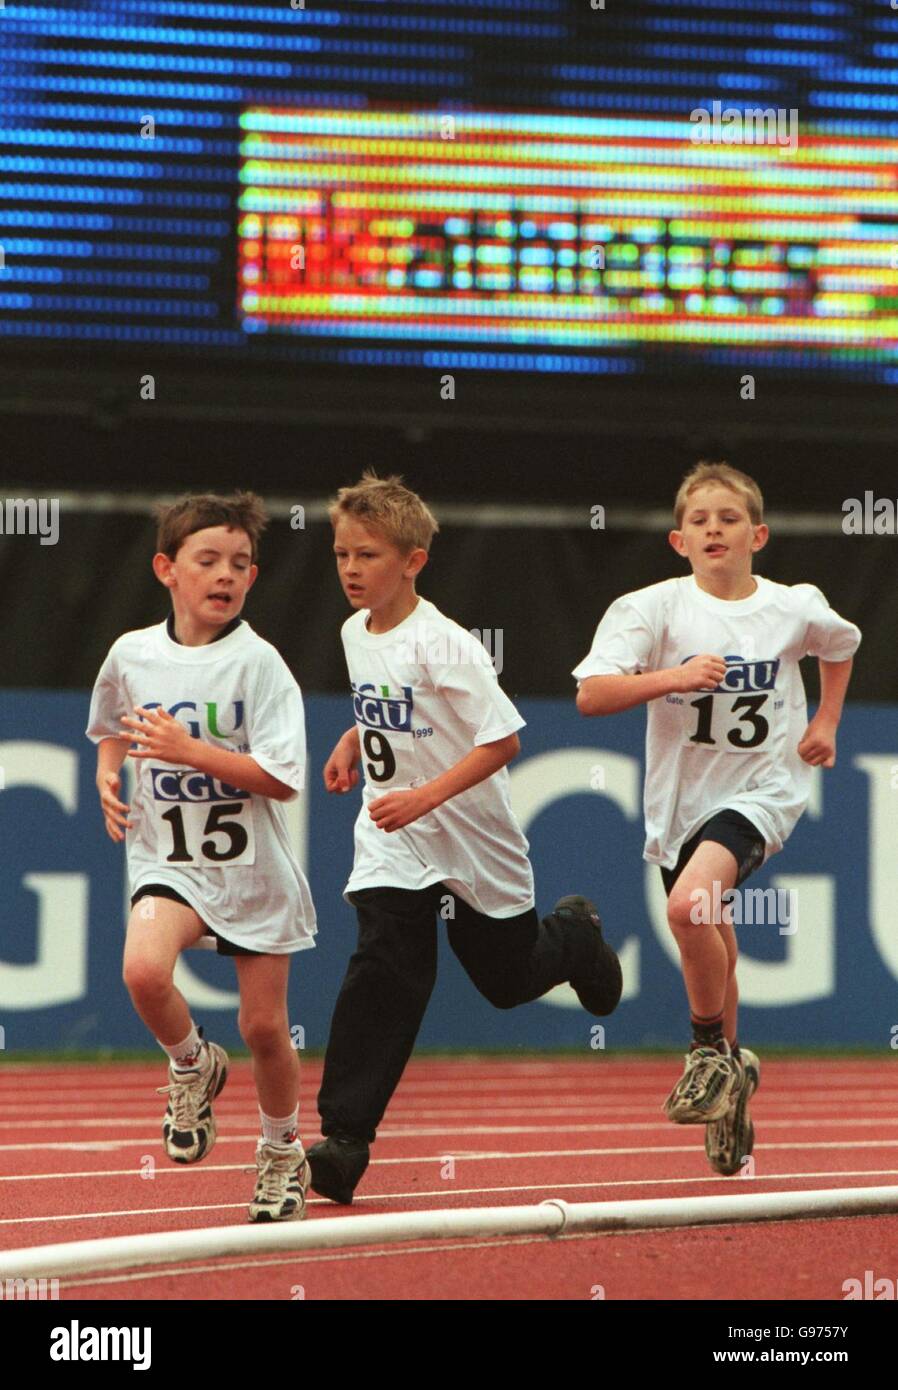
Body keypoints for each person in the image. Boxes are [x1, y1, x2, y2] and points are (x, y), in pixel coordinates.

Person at [306, 472, 623, 1204]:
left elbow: (503, 739)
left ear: (413, 561)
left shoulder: (447, 645)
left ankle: (574, 935)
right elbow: (387, 704)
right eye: (341, 554)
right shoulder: (356, 630)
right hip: (395, 838)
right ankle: (344, 1141)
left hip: (472, 837)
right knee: (386, 961)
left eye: (369, 556)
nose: (351, 570)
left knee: (505, 982)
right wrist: (355, 740)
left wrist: (426, 795)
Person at [574, 461, 860, 1174]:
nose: (713, 529)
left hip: (764, 789)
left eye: (728, 518)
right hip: (681, 800)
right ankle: (734, 1080)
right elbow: (591, 695)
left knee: (687, 906)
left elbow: (841, 644)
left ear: (757, 534)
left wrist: (825, 721)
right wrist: (673, 676)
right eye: (699, 521)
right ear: (678, 541)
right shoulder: (652, 609)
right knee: (710, 927)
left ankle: (707, 1054)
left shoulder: (794, 606)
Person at [86, 491, 317, 1221]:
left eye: (241, 564)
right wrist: (106, 771)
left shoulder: (261, 666)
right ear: (166, 569)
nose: (226, 575)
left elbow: (282, 780)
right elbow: (113, 721)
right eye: (208, 560)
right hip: (169, 859)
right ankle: (191, 1062)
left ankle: (282, 1150)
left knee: (262, 1029)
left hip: (251, 868)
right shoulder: (132, 652)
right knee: (143, 971)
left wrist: (195, 752)